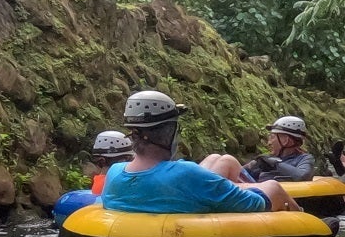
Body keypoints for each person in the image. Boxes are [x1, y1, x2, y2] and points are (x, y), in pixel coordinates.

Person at [101, 90, 299, 213]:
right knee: (273, 186)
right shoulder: (186, 174)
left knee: (216, 161)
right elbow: (253, 203)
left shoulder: (115, 172)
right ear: (169, 132)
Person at [241, 115, 315, 182]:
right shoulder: (264, 161)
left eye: (272, 137)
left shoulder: (304, 159)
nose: (269, 142)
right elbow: (238, 172)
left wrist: (275, 163)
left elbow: (303, 176)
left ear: (285, 140)